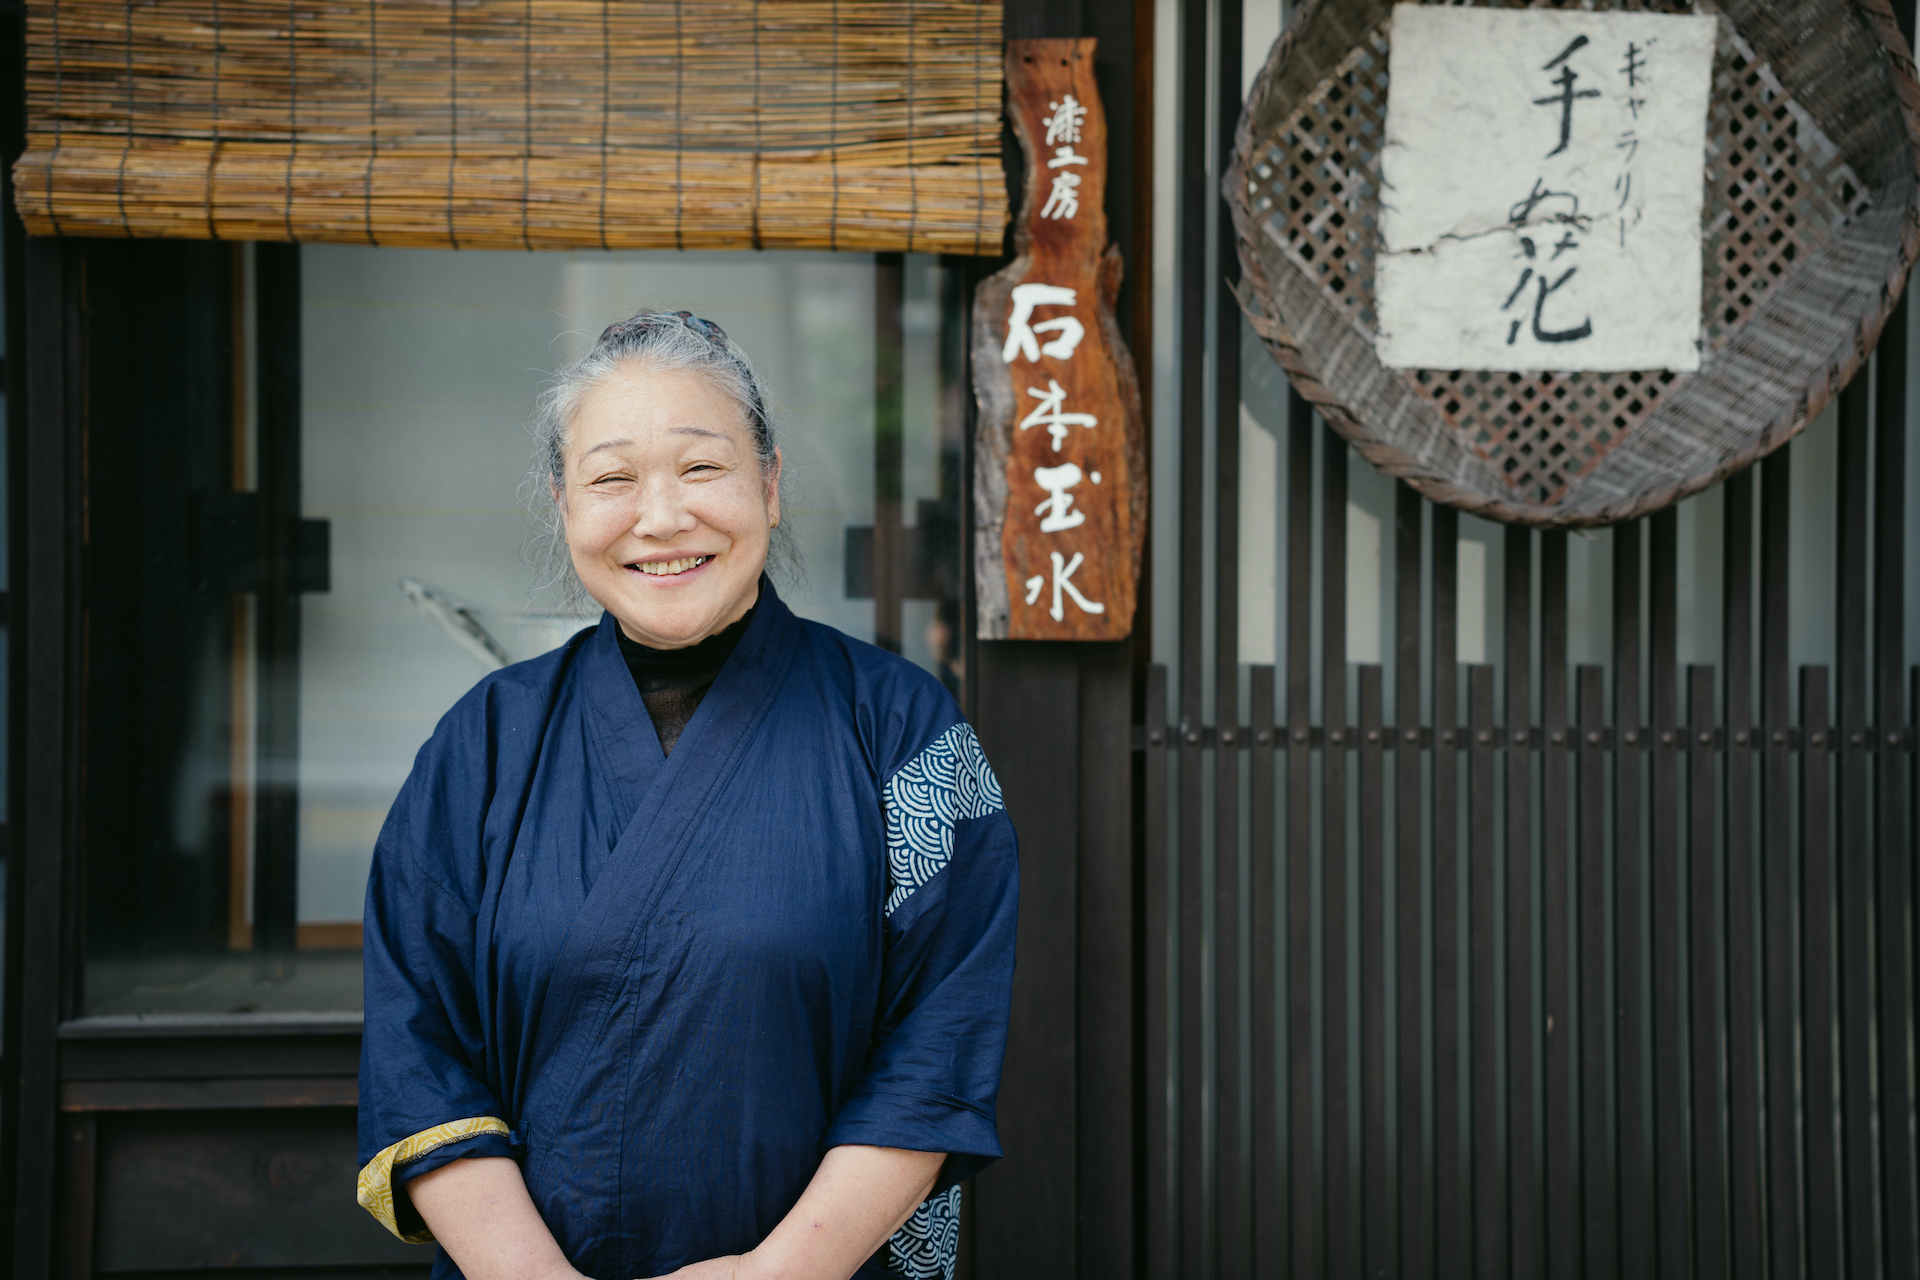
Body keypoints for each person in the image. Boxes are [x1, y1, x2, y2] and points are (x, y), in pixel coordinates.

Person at [354, 310, 1019, 1280]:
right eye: (612, 478)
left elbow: (936, 1054)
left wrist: (769, 1274)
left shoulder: (908, 733)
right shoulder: (481, 744)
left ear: (771, 482)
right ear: (563, 502)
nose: (660, 517)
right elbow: (418, 1051)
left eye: (701, 468)